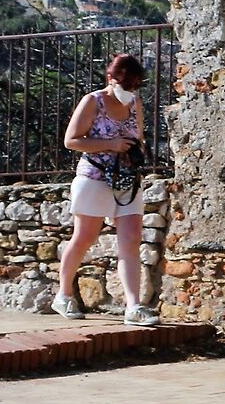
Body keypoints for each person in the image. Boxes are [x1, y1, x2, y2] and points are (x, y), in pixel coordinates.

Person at [56, 54, 159, 324]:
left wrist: (136, 150)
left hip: (126, 179)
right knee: (85, 236)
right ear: (111, 79)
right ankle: (64, 294)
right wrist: (110, 144)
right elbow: (71, 140)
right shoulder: (93, 101)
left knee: (131, 238)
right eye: (126, 86)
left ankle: (134, 306)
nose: (130, 92)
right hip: (95, 176)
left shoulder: (135, 102)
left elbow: (139, 136)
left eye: (135, 86)